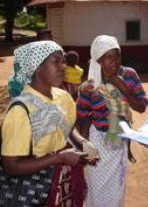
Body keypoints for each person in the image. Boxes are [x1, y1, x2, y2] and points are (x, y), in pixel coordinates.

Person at [0, 41, 97, 206]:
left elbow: (67, 126)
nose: (63, 67)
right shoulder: (21, 110)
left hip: (64, 183)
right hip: (35, 190)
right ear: (37, 66)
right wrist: (58, 158)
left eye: (63, 61)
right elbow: (11, 165)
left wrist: (82, 142)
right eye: (56, 61)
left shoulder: (63, 96)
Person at [76, 35, 148, 207]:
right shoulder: (90, 86)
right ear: (98, 59)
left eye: (117, 55)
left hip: (120, 141)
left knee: (116, 192)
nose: (115, 61)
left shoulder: (129, 75)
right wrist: (86, 149)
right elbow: (83, 119)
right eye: (108, 57)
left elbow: (141, 106)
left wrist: (123, 87)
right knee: (97, 192)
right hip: (98, 143)